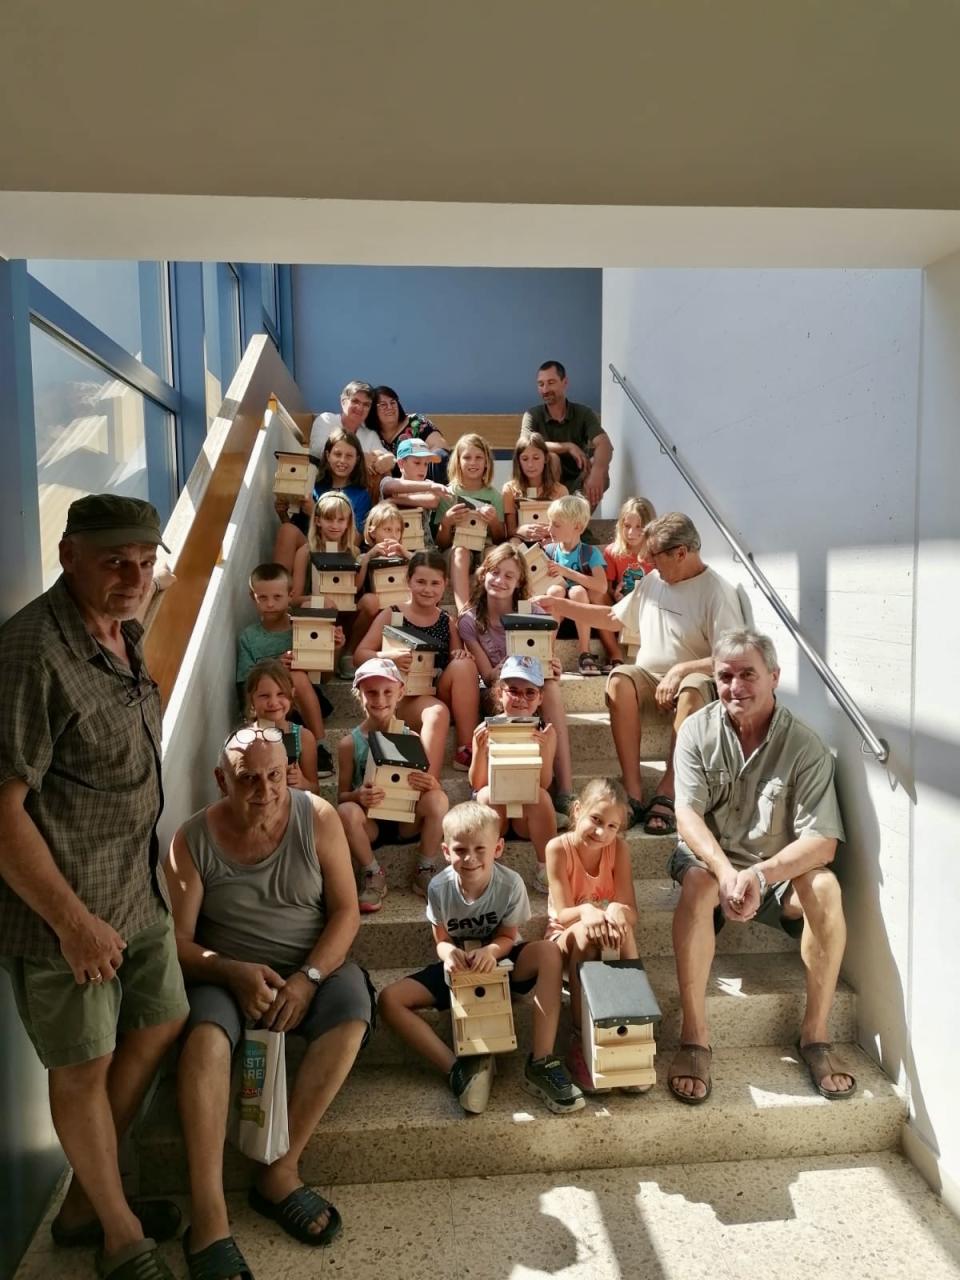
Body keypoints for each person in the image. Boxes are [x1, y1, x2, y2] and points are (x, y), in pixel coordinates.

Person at [0, 495, 189, 1280]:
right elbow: (2, 809)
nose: (134, 577)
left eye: (144, 563)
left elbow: (165, 575)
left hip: (136, 892)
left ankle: (86, 1197)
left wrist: (162, 572)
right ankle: (117, 1234)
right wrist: (73, 924)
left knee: (161, 1023)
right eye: (115, 562)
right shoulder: (31, 653)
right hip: (67, 912)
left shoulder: (122, 625)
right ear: (67, 554)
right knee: (80, 1068)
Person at [166, 729, 372, 1276]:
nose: (265, 791)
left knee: (353, 1009)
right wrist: (230, 973)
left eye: (275, 775)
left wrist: (307, 979)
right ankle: (208, 1217)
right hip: (226, 977)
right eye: (248, 779)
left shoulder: (320, 816)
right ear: (221, 781)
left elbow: (346, 913)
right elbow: (179, 945)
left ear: (289, 771)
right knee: (205, 1040)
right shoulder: (190, 840)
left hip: (311, 966)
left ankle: (280, 1171)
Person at [667, 629, 854, 1105]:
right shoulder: (697, 730)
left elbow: (823, 842)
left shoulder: (805, 747)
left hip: (774, 872)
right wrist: (727, 872)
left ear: (773, 676)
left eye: (748, 674)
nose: (735, 687)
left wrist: (759, 875)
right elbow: (686, 813)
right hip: (711, 861)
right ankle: (694, 1036)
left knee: (826, 887)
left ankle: (814, 1035)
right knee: (696, 881)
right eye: (725, 676)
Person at [534, 512, 743, 830]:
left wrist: (681, 670)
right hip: (648, 679)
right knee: (619, 679)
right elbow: (614, 618)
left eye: (655, 558)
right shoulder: (655, 581)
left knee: (692, 686)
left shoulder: (717, 592)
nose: (649, 564)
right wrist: (561, 608)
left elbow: (729, 660)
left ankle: (668, 792)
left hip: (695, 685)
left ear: (681, 553)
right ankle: (632, 792)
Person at [377, 801, 584, 1116]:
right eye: (460, 850)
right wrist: (448, 956)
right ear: (446, 852)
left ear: (498, 848)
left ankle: (541, 1061)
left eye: (480, 849)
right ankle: (456, 1071)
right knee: (390, 999)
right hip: (461, 969)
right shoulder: (439, 887)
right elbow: (442, 941)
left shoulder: (510, 883)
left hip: (503, 960)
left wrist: (491, 951)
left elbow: (506, 936)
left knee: (549, 952)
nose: (470, 858)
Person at [458, 543, 575, 824]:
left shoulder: (534, 614)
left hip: (529, 691)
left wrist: (552, 666)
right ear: (483, 574)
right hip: (497, 692)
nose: (500, 580)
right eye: (494, 572)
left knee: (551, 687)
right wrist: (513, 664)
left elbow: (545, 661)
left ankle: (566, 790)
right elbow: (487, 676)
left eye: (509, 576)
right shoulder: (470, 620)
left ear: (520, 581)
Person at [544, 778, 641, 1093]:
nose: (602, 833)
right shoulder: (558, 848)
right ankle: (580, 1035)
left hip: (607, 935)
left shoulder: (619, 849)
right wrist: (588, 912)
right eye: (596, 820)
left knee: (622, 928)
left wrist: (617, 911)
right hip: (567, 937)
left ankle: (634, 1028)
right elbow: (562, 912)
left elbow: (630, 909)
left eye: (612, 826)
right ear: (576, 810)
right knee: (586, 932)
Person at [336, 657, 448, 908]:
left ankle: (424, 869)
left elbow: (427, 787)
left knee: (438, 799)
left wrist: (430, 784)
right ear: (359, 695)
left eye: (388, 692)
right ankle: (372, 874)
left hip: (406, 820)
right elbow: (341, 797)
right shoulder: (349, 744)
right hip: (371, 824)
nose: (380, 699)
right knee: (345, 812)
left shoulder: (412, 738)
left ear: (401, 693)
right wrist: (357, 796)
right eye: (371, 693)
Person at [355, 551, 480, 774]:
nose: (427, 589)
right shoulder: (392, 614)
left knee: (465, 665)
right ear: (409, 580)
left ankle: (466, 749)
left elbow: (455, 657)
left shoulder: (445, 621)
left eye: (435, 583)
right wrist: (387, 657)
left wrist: (460, 655)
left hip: (436, 689)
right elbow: (360, 654)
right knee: (437, 712)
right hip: (406, 697)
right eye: (421, 582)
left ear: (445, 585)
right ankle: (427, 781)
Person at [235, 563, 334, 777]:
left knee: (296, 675)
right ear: (253, 597)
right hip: (270, 707)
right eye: (263, 598)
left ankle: (319, 745)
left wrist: (335, 646)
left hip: (302, 703)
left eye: (277, 597)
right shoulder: (249, 637)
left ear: (290, 596)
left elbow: (325, 677)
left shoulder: (302, 626)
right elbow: (245, 683)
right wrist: (275, 666)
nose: (270, 604)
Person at [470, 655, 558, 893]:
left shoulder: (545, 733)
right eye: (514, 691)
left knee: (541, 797)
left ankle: (546, 869)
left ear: (540, 698)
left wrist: (544, 750)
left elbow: (545, 782)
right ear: (500, 693)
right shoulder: (486, 729)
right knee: (486, 796)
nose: (521, 699)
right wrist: (479, 751)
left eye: (530, 692)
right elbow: (477, 783)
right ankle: (487, 869)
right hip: (496, 810)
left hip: (524, 815)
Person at [521, 361, 613, 511]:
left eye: (551, 383)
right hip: (544, 483)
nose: (545, 389)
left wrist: (597, 471)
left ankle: (579, 524)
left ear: (565, 383)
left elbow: (604, 444)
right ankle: (552, 520)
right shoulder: (532, 415)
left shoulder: (583, 413)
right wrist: (567, 447)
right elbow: (525, 444)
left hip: (578, 482)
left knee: (599, 465)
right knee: (552, 458)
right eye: (541, 384)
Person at [435, 433, 505, 611]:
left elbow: (499, 538)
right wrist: (447, 522)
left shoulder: (494, 495)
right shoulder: (448, 494)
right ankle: (464, 612)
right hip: (455, 551)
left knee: (497, 554)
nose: (473, 462)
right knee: (461, 551)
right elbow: (441, 543)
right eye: (467, 457)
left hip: (484, 547)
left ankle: (497, 610)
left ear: (486, 462)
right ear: (457, 461)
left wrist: (494, 521)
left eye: (478, 457)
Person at [541, 494, 609, 676]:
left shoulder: (589, 552)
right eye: (550, 523)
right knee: (554, 590)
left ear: (577, 527)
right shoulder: (549, 551)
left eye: (556, 525)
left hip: (581, 610)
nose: (550, 529)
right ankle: (548, 652)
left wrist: (567, 572)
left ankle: (584, 652)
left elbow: (602, 586)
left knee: (578, 591)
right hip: (558, 614)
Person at [243, 659, 320, 792]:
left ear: (292, 694)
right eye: (264, 696)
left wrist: (303, 783)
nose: (273, 702)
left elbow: (315, 790)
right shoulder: (243, 739)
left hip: (293, 807)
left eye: (281, 694)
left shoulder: (304, 738)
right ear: (251, 699)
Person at [599, 496, 657, 666]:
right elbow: (607, 588)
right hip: (620, 606)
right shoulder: (612, 552)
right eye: (627, 526)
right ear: (620, 526)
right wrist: (615, 595)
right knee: (596, 594)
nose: (631, 533)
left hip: (649, 607)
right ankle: (615, 653)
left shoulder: (656, 553)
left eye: (639, 527)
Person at [366, 384, 449, 473]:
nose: (389, 407)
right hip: (389, 483)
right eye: (383, 405)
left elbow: (441, 446)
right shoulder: (370, 433)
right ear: (373, 410)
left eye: (393, 402)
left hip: (424, 477)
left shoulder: (416, 422)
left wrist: (419, 462)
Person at [501, 431, 567, 542]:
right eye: (525, 459)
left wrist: (549, 531)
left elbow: (564, 529)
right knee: (513, 543)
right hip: (521, 541)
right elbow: (510, 530)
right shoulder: (509, 489)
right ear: (518, 461)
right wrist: (520, 530)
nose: (530, 464)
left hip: (549, 541)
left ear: (545, 458)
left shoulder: (560, 491)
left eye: (536, 458)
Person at [309, 379, 382, 458]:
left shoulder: (370, 435)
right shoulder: (326, 420)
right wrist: (363, 459)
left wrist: (388, 459)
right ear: (343, 402)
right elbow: (318, 451)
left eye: (366, 404)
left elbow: (384, 455)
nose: (360, 408)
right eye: (355, 401)